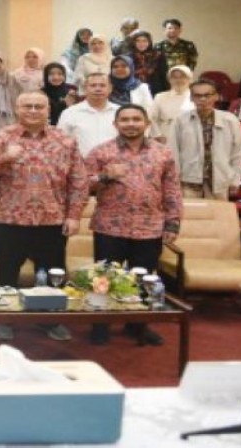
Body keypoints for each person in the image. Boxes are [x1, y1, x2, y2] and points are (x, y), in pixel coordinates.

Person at [0, 91, 89, 342]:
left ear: (49, 110)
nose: (33, 110)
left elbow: (79, 181)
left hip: (52, 220)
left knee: (51, 274)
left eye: (39, 106)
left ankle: (48, 320)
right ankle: (4, 319)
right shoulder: (3, 136)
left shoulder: (65, 140)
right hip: (10, 220)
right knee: (6, 273)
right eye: (27, 106)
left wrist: (74, 216)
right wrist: (4, 158)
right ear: (17, 109)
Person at [84, 104, 182, 346]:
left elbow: (172, 190)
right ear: (115, 124)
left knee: (144, 279)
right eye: (125, 119)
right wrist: (105, 176)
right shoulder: (101, 152)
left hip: (149, 227)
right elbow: (82, 185)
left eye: (136, 119)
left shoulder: (163, 153)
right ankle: (100, 325)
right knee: (103, 279)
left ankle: (137, 326)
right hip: (110, 227)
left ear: (147, 123)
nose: (130, 124)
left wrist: (173, 224)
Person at [167, 80, 241, 200]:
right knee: (189, 217)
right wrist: (174, 180)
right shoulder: (180, 121)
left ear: (216, 96)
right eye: (198, 96)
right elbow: (172, 152)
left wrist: (235, 179)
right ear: (191, 98)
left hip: (220, 180)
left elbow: (238, 153)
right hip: (188, 181)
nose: (203, 99)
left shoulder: (230, 120)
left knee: (218, 217)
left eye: (207, 95)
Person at [58, 72, 119, 157]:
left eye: (102, 85)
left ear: (110, 88)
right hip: (81, 166)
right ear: (85, 89)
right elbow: (60, 142)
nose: (98, 89)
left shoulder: (119, 112)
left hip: (115, 166)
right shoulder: (70, 113)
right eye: (93, 85)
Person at [150, 65, 194, 140]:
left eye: (182, 77)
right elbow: (152, 118)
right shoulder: (160, 97)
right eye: (174, 77)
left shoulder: (195, 97)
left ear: (190, 79)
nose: (178, 80)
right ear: (169, 80)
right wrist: (158, 135)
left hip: (189, 136)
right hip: (165, 136)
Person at [128, 31, 169, 95]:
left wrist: (167, 92)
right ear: (134, 43)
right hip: (135, 90)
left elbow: (164, 75)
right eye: (138, 41)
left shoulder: (158, 55)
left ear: (149, 42)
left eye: (144, 41)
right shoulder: (128, 57)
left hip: (156, 90)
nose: (141, 43)